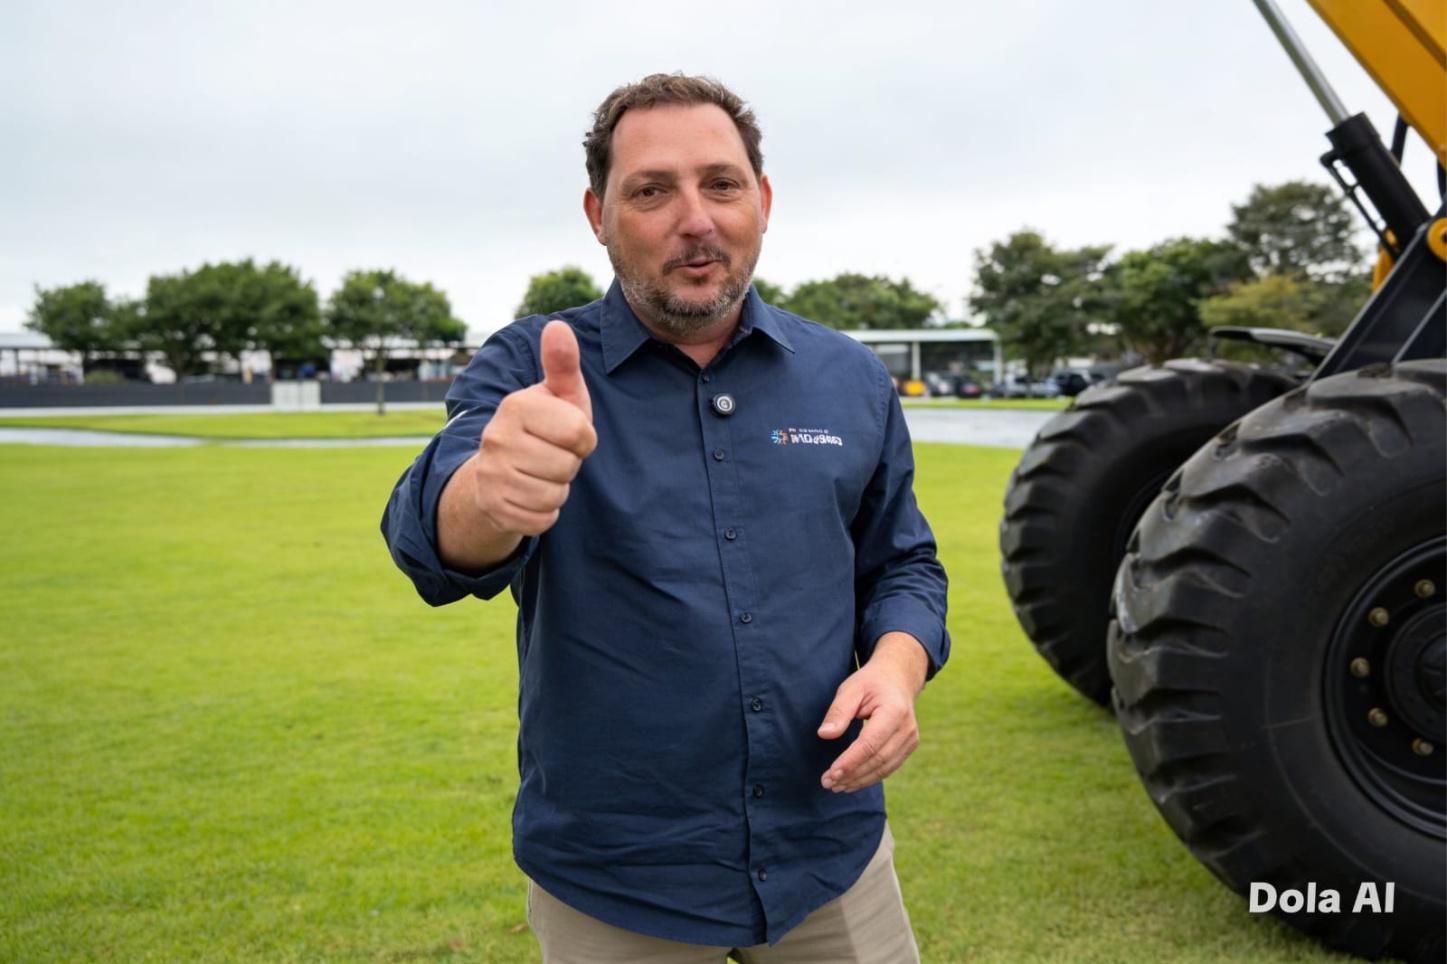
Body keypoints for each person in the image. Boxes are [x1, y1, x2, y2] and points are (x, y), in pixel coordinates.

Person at [381, 72, 949, 963]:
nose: (695, 217)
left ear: (760, 200)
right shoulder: (531, 367)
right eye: (650, 191)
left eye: (720, 184)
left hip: (829, 858)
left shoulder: (849, 378)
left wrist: (897, 667)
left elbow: (902, 564)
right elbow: (432, 539)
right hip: (617, 884)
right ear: (597, 214)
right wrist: (488, 499)